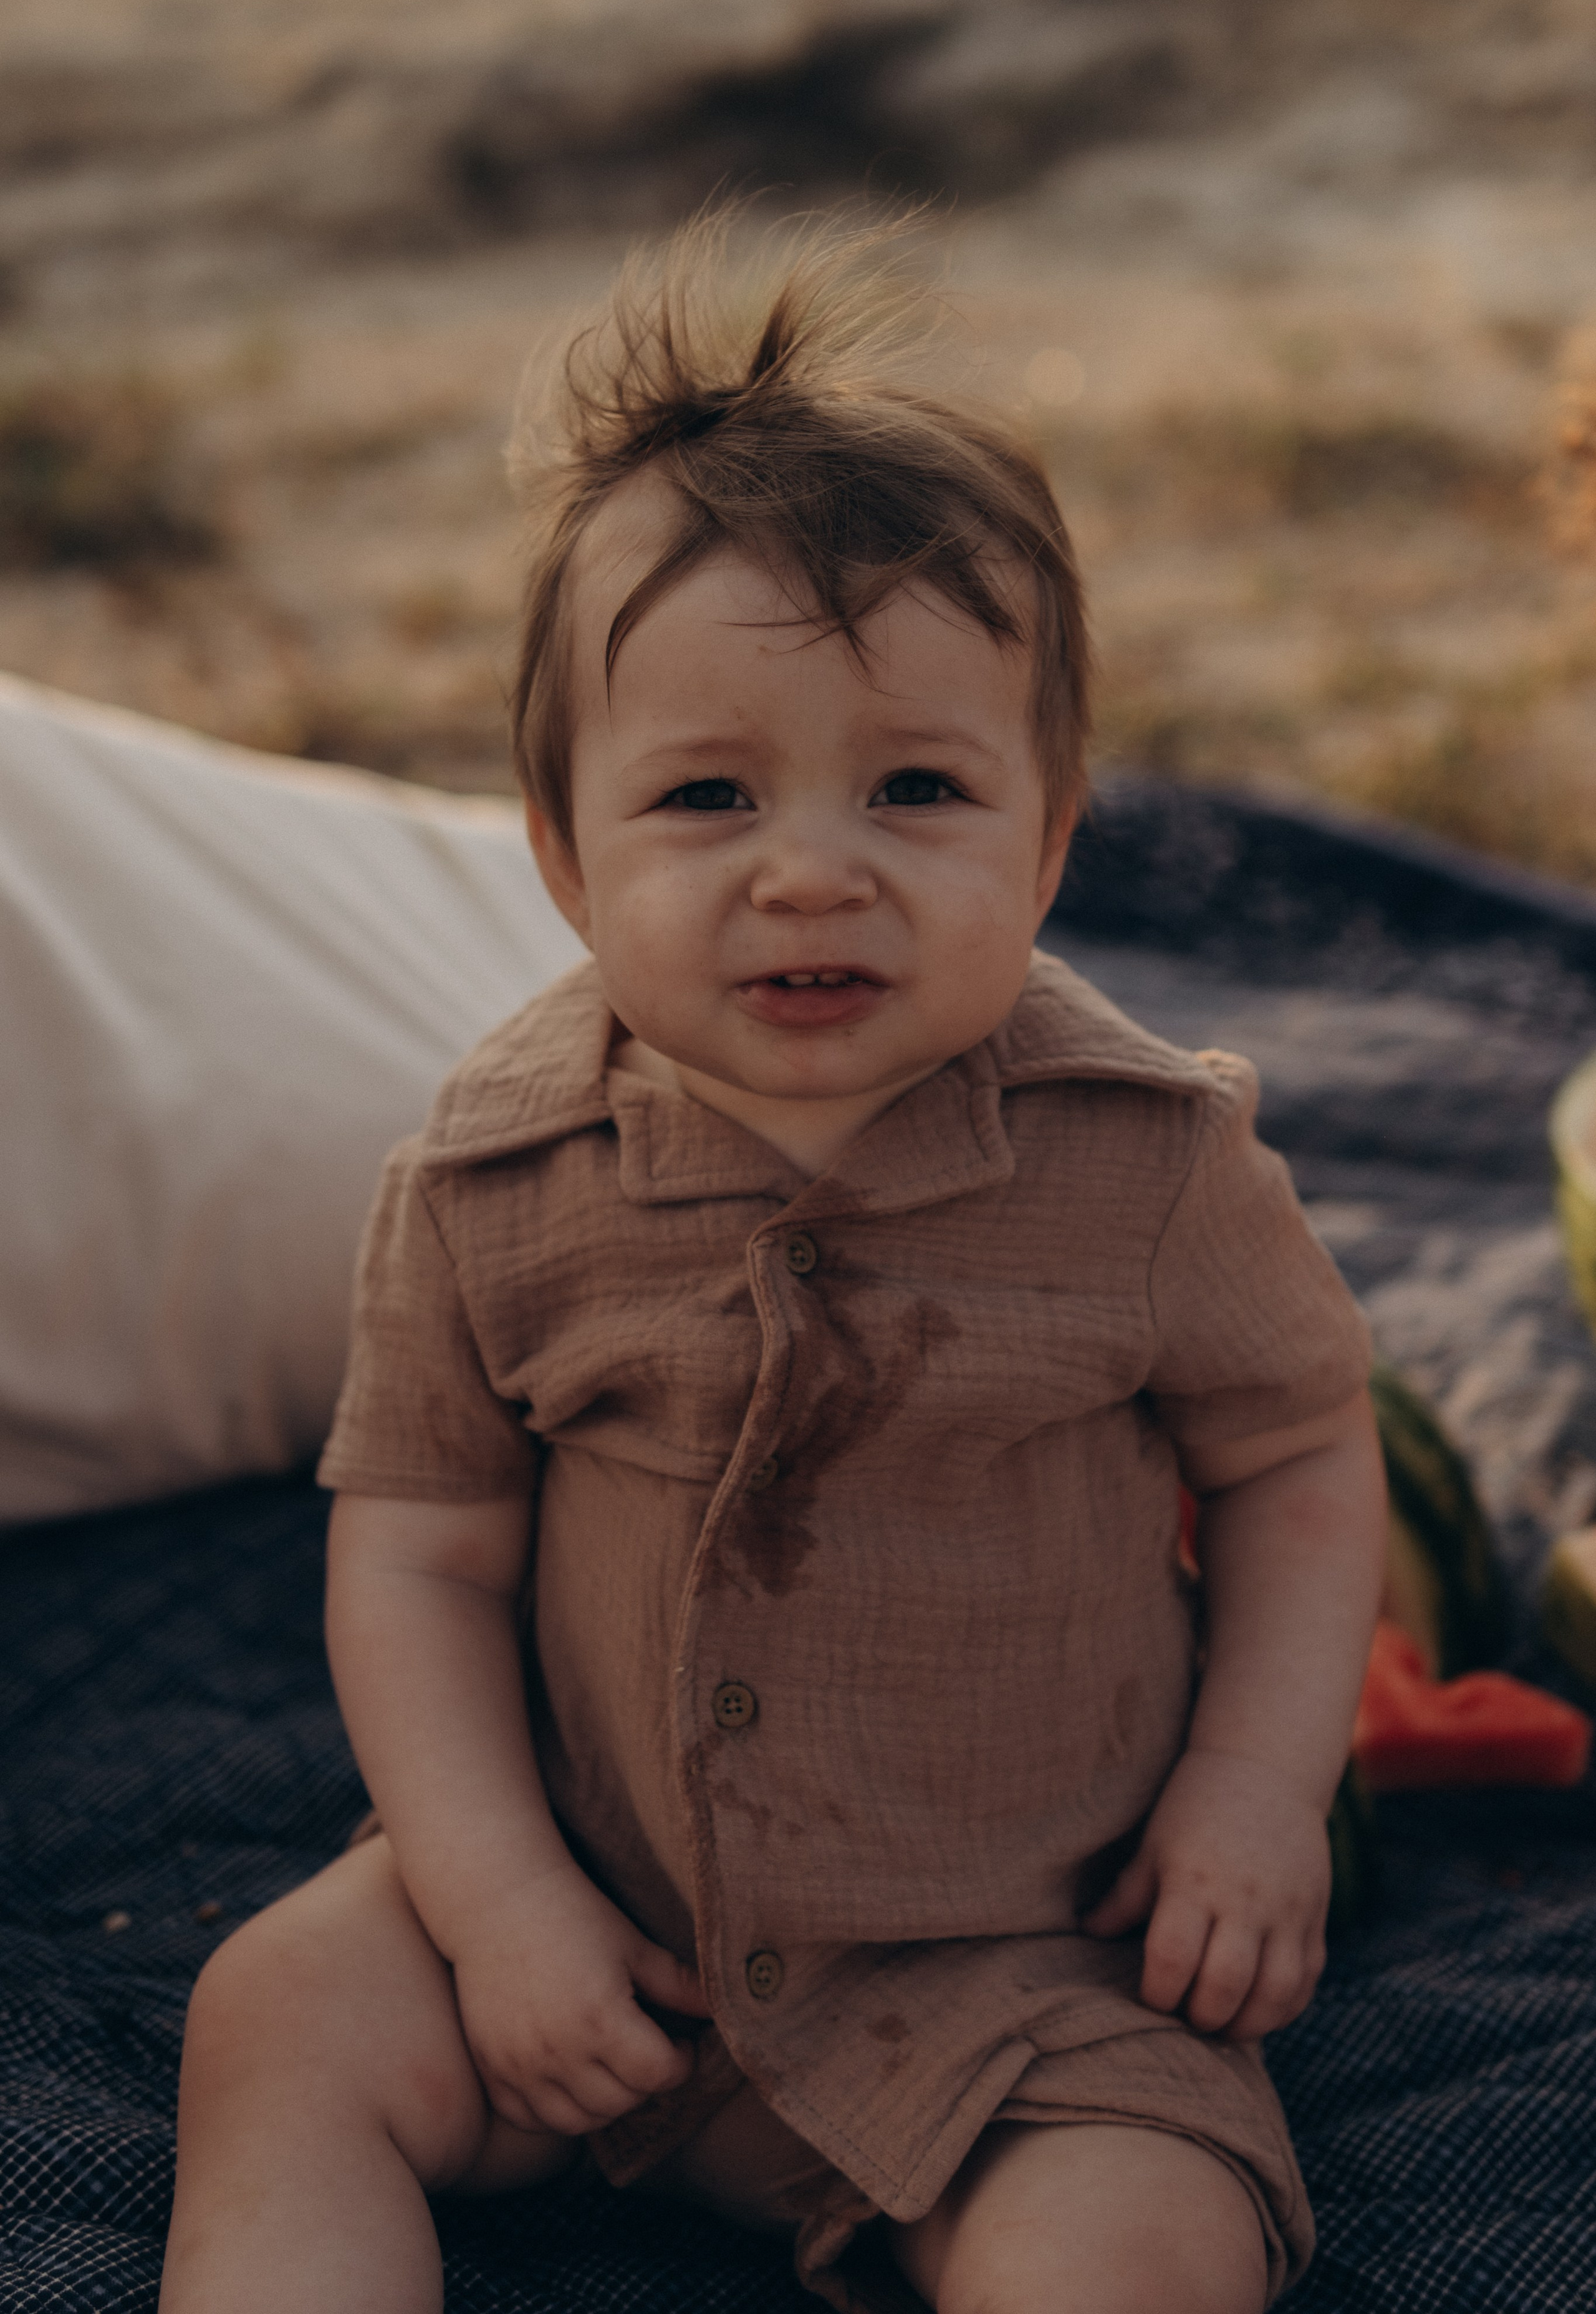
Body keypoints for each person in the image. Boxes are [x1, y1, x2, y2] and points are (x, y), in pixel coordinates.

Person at [158, 212, 1386, 2314]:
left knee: (1149, 2241)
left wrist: (1258, 1797)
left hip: (1027, 1962)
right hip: (603, 1934)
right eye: (708, 796)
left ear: (1053, 832)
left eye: (919, 787)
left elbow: (1296, 1454)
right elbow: (421, 1558)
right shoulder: (486, 1181)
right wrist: (501, 1907)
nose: (812, 867)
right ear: (563, 854)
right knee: (274, 2022)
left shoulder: (1154, 1160)